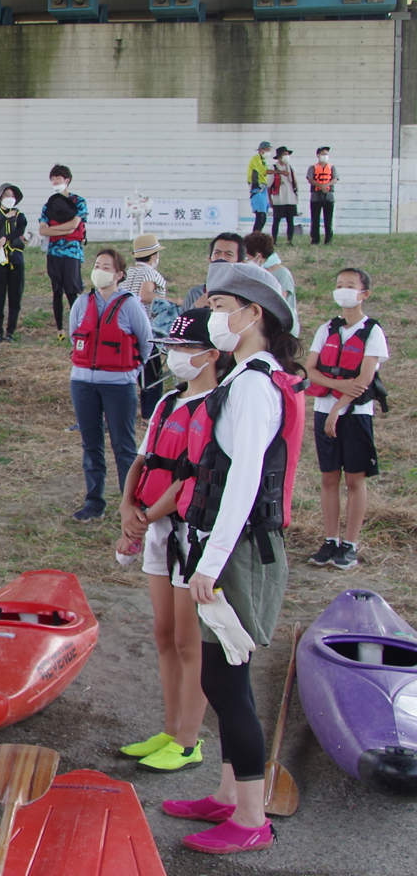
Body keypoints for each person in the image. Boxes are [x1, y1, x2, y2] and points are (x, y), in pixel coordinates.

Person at [161, 262, 303, 857]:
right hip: (229, 546)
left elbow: (244, 480)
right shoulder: (244, 378)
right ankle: (226, 792)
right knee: (223, 677)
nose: (214, 314)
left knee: (227, 678)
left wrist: (210, 562)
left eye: (222, 305)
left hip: (240, 552)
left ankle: (251, 818)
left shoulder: (251, 385)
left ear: (254, 316)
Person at [115, 308, 226, 774]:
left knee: (188, 640)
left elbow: (191, 477)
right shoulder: (166, 403)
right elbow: (143, 461)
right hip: (154, 527)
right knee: (163, 633)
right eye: (173, 348)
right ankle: (168, 727)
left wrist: (144, 517)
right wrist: (127, 508)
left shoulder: (219, 405)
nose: (176, 357)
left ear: (212, 354)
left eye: (185, 349)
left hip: (188, 532)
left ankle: (188, 741)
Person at [304, 267, 387, 572]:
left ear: (364, 293)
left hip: (355, 413)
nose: (343, 290)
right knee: (328, 477)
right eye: (339, 284)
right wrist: (337, 388)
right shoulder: (327, 328)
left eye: (350, 285)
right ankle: (330, 540)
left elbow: (364, 379)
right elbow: (311, 370)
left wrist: (339, 408)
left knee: (354, 478)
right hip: (325, 408)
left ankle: (350, 545)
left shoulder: (372, 331)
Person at [68, 248, 154, 522]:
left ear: (119, 275)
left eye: (106, 266)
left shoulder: (130, 305)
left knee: (124, 446)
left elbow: (146, 342)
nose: (99, 270)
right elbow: (75, 336)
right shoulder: (82, 302)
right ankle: (94, 502)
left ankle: (131, 503)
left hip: (119, 384)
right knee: (91, 444)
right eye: (97, 265)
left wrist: (131, 373)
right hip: (83, 383)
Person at [125, 234, 175, 420]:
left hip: (125, 326)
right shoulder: (150, 274)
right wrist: (172, 300)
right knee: (152, 373)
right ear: (153, 256)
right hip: (146, 328)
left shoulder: (128, 273)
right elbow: (145, 295)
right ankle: (151, 412)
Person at [38, 166, 88, 340]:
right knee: (57, 291)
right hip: (54, 253)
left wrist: (54, 230)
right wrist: (63, 231)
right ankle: (60, 330)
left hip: (72, 253)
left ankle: (78, 327)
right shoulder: (49, 204)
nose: (54, 182)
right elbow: (42, 230)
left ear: (67, 180)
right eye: (52, 179)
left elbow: (75, 225)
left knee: (72, 291)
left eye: (58, 178)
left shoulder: (78, 201)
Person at [0, 183, 26, 343]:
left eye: (12, 196)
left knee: (15, 296)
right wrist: (5, 218)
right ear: (0, 197)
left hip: (16, 260)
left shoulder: (20, 215)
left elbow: (20, 231)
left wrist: (5, 238)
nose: (10, 199)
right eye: (6, 195)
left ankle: (11, 331)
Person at [242, 233, 298, 337]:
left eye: (248, 257)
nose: (247, 261)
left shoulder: (282, 274)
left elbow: (278, 302)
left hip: (283, 330)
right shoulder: (259, 273)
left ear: (258, 255)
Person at [181, 233, 244, 310]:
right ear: (210, 260)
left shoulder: (245, 296)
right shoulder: (196, 293)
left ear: (241, 264)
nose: (221, 257)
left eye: (229, 254)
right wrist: (196, 307)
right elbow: (181, 321)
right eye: (217, 253)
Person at [308, 146, 338, 245]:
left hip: (328, 196)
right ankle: (315, 240)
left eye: (326, 154)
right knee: (315, 219)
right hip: (316, 197)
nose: (325, 156)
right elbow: (310, 179)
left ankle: (328, 240)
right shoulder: (312, 168)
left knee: (328, 220)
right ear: (318, 155)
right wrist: (321, 186)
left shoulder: (332, 167)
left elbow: (335, 178)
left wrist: (326, 185)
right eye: (323, 154)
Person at [268, 147, 298, 244]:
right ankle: (274, 240)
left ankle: (290, 240)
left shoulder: (291, 167)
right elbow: (269, 186)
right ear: (279, 157)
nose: (287, 156)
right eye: (284, 154)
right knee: (276, 220)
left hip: (290, 198)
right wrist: (270, 200)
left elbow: (295, 182)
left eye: (287, 154)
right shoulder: (274, 168)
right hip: (279, 199)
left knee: (290, 220)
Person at [246, 141, 273, 233]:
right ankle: (255, 235)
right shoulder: (255, 159)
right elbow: (262, 171)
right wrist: (278, 172)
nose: (269, 152)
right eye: (267, 150)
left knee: (263, 216)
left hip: (263, 189)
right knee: (260, 215)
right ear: (261, 150)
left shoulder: (263, 161)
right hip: (257, 188)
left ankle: (258, 234)